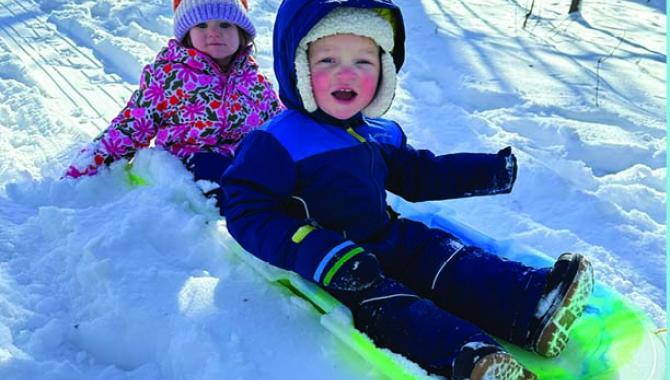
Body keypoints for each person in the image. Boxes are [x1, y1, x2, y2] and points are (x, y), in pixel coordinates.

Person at [221, 0, 594, 378]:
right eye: (328, 60)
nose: (346, 74)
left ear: (383, 69)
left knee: (446, 257)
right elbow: (245, 208)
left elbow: (419, 174)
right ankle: (471, 358)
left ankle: (533, 306)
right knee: (391, 305)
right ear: (297, 66)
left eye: (363, 62)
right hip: (333, 262)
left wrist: (486, 172)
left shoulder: (378, 133)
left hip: (388, 234)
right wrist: (312, 248)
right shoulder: (277, 142)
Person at [64, 0, 283, 205]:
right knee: (221, 178)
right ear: (187, 34)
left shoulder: (254, 80)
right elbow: (132, 124)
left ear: (241, 32)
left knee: (277, 174)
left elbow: (280, 123)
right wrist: (91, 162)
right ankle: (243, 219)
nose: (214, 32)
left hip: (243, 161)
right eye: (202, 25)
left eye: (225, 24)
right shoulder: (169, 76)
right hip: (192, 161)